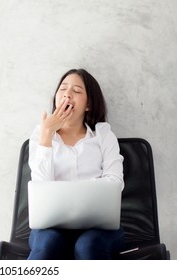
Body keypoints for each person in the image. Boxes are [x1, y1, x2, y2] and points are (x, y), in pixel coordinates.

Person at [27, 69, 125, 260]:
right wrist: (47, 134)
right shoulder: (41, 134)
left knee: (88, 246)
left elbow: (115, 182)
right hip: (51, 227)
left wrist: (71, 190)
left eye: (77, 91)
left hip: (99, 228)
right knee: (47, 245)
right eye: (63, 89)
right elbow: (40, 186)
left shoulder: (103, 136)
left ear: (88, 104)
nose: (67, 94)